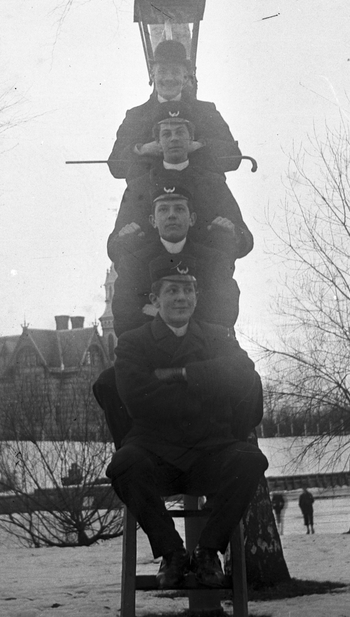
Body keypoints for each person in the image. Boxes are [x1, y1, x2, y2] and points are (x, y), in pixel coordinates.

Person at [102, 258, 268, 589]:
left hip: (210, 452)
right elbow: (136, 397)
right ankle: (172, 553)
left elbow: (244, 376)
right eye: (172, 291)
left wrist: (182, 373)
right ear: (155, 299)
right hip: (156, 457)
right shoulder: (134, 342)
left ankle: (208, 552)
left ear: (196, 296)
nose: (181, 298)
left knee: (250, 460)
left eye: (188, 290)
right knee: (124, 464)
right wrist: (208, 390)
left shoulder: (218, 337)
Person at [107, 112, 254, 260]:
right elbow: (113, 247)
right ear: (158, 142)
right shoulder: (139, 186)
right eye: (166, 134)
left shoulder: (213, 184)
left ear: (191, 140)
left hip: (204, 267)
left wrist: (232, 233)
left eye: (180, 132)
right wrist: (124, 237)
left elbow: (246, 240)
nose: (174, 138)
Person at [108, 184, 241, 335]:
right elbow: (124, 319)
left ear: (192, 219)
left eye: (179, 209)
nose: (171, 215)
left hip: (203, 347)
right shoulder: (134, 262)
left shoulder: (213, 260)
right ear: (153, 221)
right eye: (163, 209)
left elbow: (225, 314)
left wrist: (160, 314)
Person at [107, 39, 242, 180]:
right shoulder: (136, 116)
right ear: (152, 75)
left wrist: (199, 145)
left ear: (185, 77)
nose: (169, 78)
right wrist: (142, 149)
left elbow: (233, 157)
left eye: (175, 72)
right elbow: (115, 166)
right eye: (162, 71)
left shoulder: (206, 111)